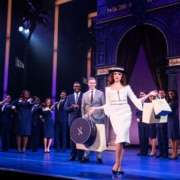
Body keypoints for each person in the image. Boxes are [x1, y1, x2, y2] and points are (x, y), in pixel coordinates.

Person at [88, 66, 158, 176]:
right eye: (115, 74)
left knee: (122, 138)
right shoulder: (108, 89)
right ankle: (119, 164)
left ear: (122, 76)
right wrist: (95, 108)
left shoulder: (127, 88)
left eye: (119, 74)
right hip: (115, 114)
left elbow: (135, 100)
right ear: (112, 75)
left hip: (125, 113)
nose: (117, 76)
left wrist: (148, 95)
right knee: (120, 138)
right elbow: (108, 105)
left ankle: (117, 164)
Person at [80, 77, 106, 164]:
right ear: (88, 84)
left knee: (98, 138)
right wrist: (84, 116)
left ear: (95, 84)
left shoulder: (100, 94)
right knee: (87, 138)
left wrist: (102, 116)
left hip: (98, 119)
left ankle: (99, 157)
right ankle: (86, 157)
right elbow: (82, 107)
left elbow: (104, 106)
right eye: (90, 83)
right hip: (88, 119)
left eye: (93, 83)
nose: (92, 84)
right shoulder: (84, 95)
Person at [64, 81, 84, 161]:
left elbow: (86, 107)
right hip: (72, 121)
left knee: (81, 139)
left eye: (78, 86)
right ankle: (72, 155)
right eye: (75, 86)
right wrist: (72, 107)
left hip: (81, 120)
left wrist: (79, 107)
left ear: (80, 87)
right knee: (72, 139)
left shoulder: (84, 95)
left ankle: (80, 156)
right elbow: (65, 108)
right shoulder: (69, 97)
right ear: (73, 87)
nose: (76, 88)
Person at [167, 89, 179, 160]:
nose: (170, 95)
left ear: (174, 94)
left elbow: (169, 110)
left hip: (174, 120)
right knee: (172, 137)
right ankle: (173, 153)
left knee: (175, 137)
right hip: (170, 120)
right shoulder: (170, 102)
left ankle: (175, 153)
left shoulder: (175, 102)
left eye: (171, 93)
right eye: (169, 94)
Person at [135, 90, 149, 156]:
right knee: (141, 137)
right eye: (140, 94)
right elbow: (136, 112)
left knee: (145, 137)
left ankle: (145, 152)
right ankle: (141, 151)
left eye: (142, 94)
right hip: (140, 123)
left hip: (145, 122)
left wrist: (140, 118)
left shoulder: (147, 102)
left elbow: (147, 113)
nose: (141, 95)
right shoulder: (139, 103)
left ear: (145, 95)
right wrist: (137, 118)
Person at [156, 90, 169, 158]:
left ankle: (165, 153)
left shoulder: (166, 101)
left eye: (162, 93)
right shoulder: (157, 102)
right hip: (157, 122)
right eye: (159, 93)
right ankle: (160, 152)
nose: (160, 94)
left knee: (164, 139)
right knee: (160, 139)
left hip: (163, 122)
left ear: (164, 94)